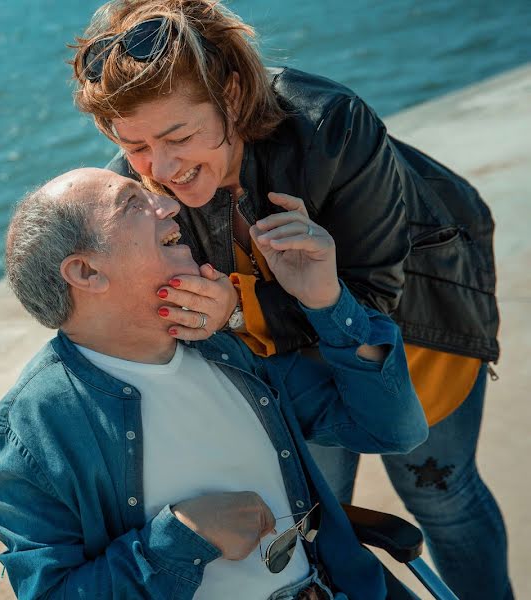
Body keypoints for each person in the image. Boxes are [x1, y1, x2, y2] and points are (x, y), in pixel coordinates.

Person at [68, 2, 509, 598]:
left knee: (444, 495)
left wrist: (237, 311)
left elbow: (374, 294)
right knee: (312, 522)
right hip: (290, 368)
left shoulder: (332, 125)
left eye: (180, 136)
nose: (161, 169)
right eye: (135, 145)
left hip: (413, 326)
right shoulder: (137, 181)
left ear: (230, 92)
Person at [0, 168, 428, 600]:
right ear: (87, 273)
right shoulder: (30, 436)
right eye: (133, 203)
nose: (168, 204)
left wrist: (325, 301)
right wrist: (185, 535)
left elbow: (392, 429)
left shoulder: (227, 350)